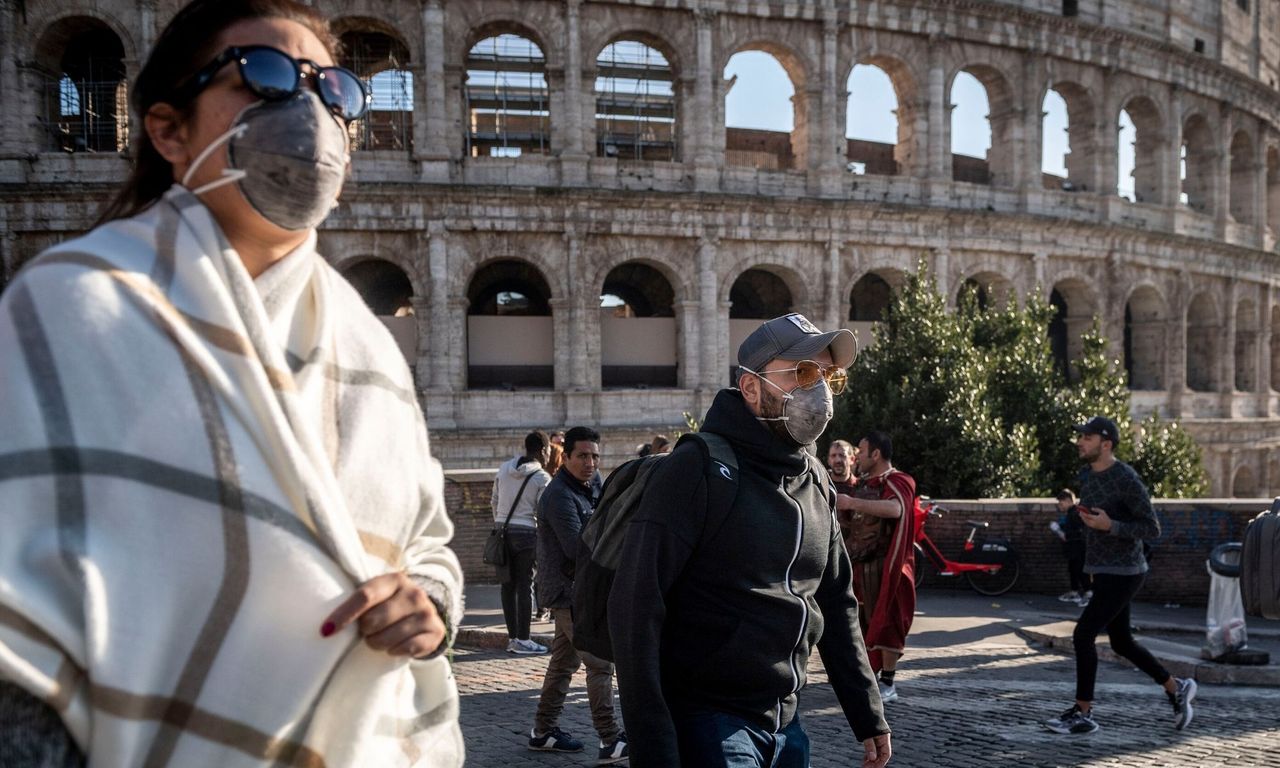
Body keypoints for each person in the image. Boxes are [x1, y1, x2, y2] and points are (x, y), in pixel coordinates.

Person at [0, 1, 464, 766]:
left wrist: (430, 604)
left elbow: (429, 545)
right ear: (168, 130)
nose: (309, 111)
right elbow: (17, 637)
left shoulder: (371, 353)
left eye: (334, 91)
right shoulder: (72, 307)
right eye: (267, 76)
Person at [610, 313, 892, 768]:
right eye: (802, 372)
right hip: (709, 723)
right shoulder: (696, 470)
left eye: (828, 377)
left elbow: (837, 601)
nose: (817, 389)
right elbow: (635, 608)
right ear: (751, 387)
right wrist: (653, 744)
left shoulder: (817, 481)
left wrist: (867, 712)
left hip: (787, 728)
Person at [1043, 416, 1196, 735]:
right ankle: (1176, 687)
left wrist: (1111, 525)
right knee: (1122, 642)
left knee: (1083, 635)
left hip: (1126, 572)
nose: (1080, 442)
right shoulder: (1087, 475)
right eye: (1080, 436)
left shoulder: (1126, 479)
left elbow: (1151, 529)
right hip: (1104, 571)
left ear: (1106, 443)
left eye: (1087, 437)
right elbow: (1096, 522)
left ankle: (1083, 713)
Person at [530, 427, 628, 764]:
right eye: (583, 456)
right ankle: (610, 739)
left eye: (595, 456)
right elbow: (576, 548)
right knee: (600, 662)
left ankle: (542, 732)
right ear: (566, 457)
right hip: (567, 592)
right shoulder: (558, 496)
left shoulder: (594, 483)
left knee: (563, 663)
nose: (590, 463)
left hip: (585, 588)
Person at [839, 431, 917, 705]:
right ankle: (869, 678)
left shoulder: (898, 481)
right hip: (862, 561)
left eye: (861, 451)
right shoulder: (864, 483)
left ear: (876, 454)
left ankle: (888, 683)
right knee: (863, 622)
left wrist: (852, 503)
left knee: (886, 621)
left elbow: (896, 510)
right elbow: (859, 522)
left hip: (886, 566)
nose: (856, 456)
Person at [492, 431, 552, 655]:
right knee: (525, 585)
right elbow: (543, 512)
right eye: (547, 452)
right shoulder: (542, 477)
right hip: (526, 533)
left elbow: (495, 500)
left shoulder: (504, 469)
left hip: (502, 529)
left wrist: (500, 523)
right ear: (543, 450)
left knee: (507, 585)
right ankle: (524, 639)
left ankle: (512, 638)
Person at [1051, 489, 1092, 606]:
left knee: (1080, 570)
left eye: (1061, 503)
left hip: (1078, 548)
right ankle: (1075, 592)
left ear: (1069, 501)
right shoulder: (1072, 513)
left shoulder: (1075, 514)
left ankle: (1088, 594)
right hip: (1074, 549)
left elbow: (1076, 533)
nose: (1060, 505)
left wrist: (1058, 531)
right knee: (1074, 570)